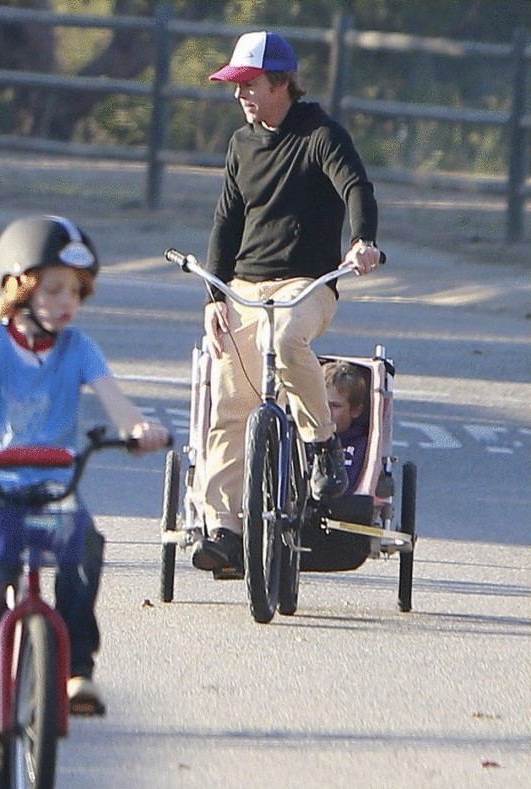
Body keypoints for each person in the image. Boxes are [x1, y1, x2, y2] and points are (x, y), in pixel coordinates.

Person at [0, 215, 170, 759]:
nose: (66, 302)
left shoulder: (79, 348)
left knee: (84, 544)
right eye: (53, 289)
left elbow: (117, 404)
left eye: (75, 291)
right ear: (19, 288)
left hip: (50, 480)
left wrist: (137, 431)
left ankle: (75, 670)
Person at [190, 31, 384, 574]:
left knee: (285, 336)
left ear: (281, 83)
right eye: (236, 86)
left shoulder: (320, 134)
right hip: (245, 288)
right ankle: (224, 531)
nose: (240, 96)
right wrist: (215, 296)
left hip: (310, 285)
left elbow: (355, 188)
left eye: (249, 85)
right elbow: (226, 223)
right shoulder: (241, 145)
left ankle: (320, 446)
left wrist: (362, 241)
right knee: (230, 406)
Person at [324, 361, 369, 495]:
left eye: (335, 406)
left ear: (355, 410)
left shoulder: (360, 445)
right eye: (322, 404)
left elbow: (347, 488)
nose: (326, 411)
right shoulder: (300, 439)